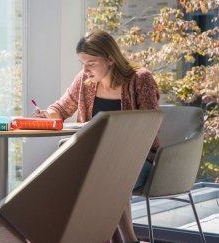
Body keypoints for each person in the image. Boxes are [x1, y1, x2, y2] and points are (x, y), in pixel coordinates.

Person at [33, 30, 160, 243]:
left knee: (105, 176)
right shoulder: (85, 80)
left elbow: (150, 124)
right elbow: (62, 108)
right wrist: (48, 114)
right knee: (80, 172)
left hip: (139, 159)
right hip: (96, 160)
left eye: (91, 63)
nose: (85, 69)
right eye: (82, 63)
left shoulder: (140, 79)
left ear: (110, 58)